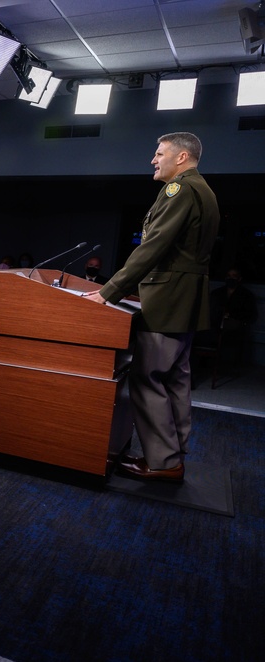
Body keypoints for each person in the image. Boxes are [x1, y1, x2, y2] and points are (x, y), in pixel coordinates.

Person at [85, 132, 220, 483]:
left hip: (167, 300)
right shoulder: (201, 189)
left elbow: (155, 246)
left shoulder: (181, 189)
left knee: (148, 379)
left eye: (159, 153)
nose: (153, 159)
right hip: (183, 301)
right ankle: (172, 456)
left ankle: (162, 462)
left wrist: (109, 292)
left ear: (182, 157)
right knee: (175, 380)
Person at [206, 267, 259, 366]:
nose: (231, 278)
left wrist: (233, 317)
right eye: (229, 276)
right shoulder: (217, 293)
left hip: (236, 326)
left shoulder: (246, 295)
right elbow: (211, 310)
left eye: (234, 276)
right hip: (216, 325)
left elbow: (251, 315)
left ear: (239, 279)